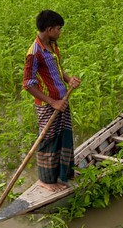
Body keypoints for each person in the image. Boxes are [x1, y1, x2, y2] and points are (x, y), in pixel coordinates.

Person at [23, 10, 80, 192]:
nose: (60, 32)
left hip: (62, 100)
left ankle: (65, 173)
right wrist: (52, 102)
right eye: (58, 29)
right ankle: (46, 180)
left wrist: (68, 79)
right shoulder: (34, 53)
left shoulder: (52, 45)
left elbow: (57, 69)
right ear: (49, 29)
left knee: (64, 136)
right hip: (49, 106)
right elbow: (28, 84)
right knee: (49, 140)